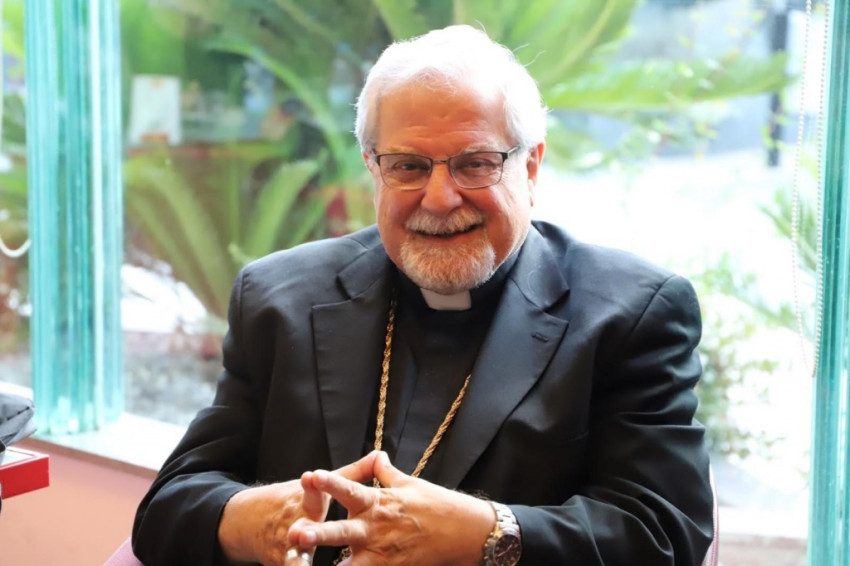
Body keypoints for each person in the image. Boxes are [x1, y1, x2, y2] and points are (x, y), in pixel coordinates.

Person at [133, 24, 713, 566]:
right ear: (372, 169)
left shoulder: (633, 314)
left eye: (475, 164)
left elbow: (665, 533)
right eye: (408, 166)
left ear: (531, 167)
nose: (439, 198)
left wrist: (488, 533)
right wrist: (259, 519)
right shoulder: (278, 298)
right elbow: (170, 505)